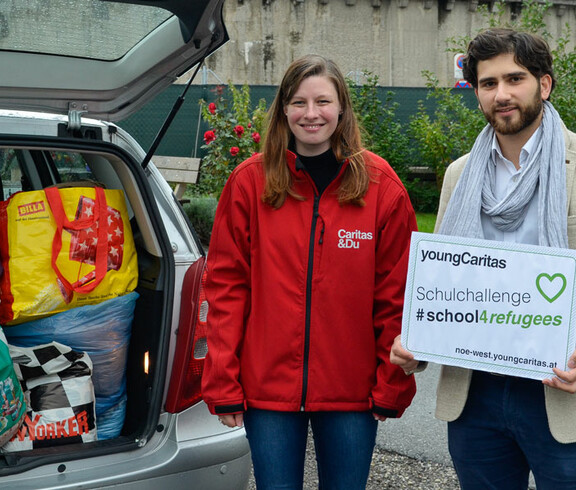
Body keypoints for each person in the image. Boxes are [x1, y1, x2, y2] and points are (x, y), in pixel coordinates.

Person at [201, 54, 417, 489]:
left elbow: (399, 294)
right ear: (283, 109)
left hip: (352, 392)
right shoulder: (249, 182)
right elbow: (226, 287)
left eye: (323, 101)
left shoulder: (381, 187)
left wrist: (391, 383)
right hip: (268, 390)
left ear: (342, 109)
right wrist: (223, 378)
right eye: (299, 102)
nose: (311, 113)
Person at [391, 28, 576, 489]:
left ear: (544, 84)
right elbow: (448, 279)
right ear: (476, 92)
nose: (502, 94)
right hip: (476, 393)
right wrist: (418, 338)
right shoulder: (460, 174)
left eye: (515, 79)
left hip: (560, 394)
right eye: (488, 83)